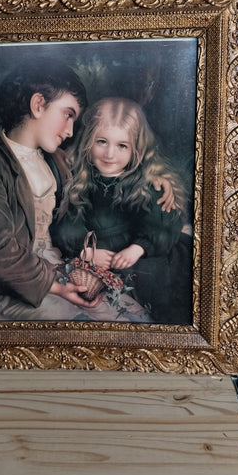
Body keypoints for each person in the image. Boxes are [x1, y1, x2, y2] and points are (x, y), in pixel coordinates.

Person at [0, 60, 152, 323]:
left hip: (62, 270)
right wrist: (58, 286)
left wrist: (157, 182)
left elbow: (103, 185)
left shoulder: (58, 161)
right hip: (13, 290)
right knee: (84, 326)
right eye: (68, 115)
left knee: (135, 318)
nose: (69, 131)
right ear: (38, 105)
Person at [51, 96, 193, 325]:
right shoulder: (79, 179)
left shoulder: (148, 182)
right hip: (100, 254)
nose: (109, 154)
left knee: (154, 284)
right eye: (102, 142)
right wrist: (85, 251)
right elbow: (68, 222)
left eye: (122, 146)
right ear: (88, 141)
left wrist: (138, 248)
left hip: (142, 254)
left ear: (136, 149)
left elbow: (163, 223)